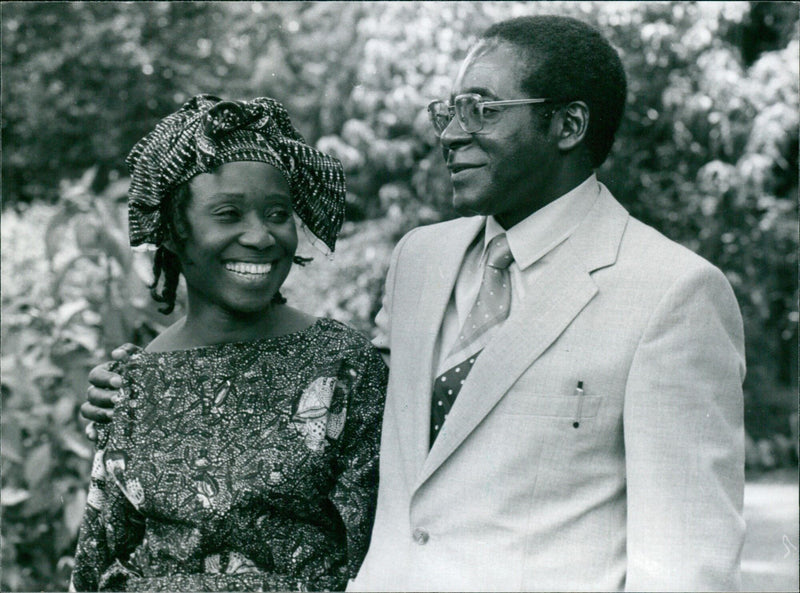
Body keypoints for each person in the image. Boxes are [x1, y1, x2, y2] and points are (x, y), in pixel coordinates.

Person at [84, 15, 747, 592]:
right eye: (450, 108)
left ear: (569, 123)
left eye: (483, 108)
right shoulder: (421, 260)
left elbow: (685, 561)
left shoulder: (672, 294)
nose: (451, 132)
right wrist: (137, 385)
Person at [70, 95, 387, 591]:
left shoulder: (344, 366)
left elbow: (376, 553)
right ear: (173, 231)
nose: (260, 237)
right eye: (228, 213)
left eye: (278, 214)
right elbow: (100, 557)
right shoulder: (132, 380)